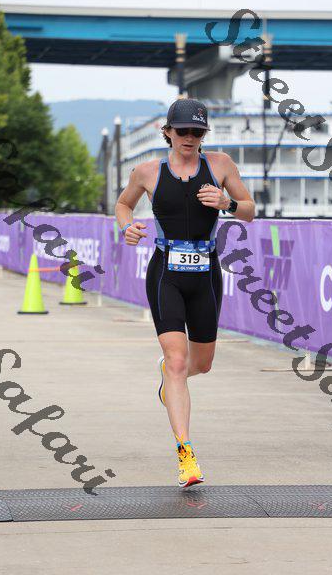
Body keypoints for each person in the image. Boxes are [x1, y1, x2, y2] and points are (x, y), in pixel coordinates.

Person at [115, 98, 255, 488]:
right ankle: (186, 456)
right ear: (168, 133)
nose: (189, 138)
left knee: (201, 364)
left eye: (197, 131)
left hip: (206, 273)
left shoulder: (221, 165)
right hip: (166, 274)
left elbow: (249, 209)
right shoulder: (147, 171)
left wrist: (227, 203)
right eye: (182, 131)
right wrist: (127, 227)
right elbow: (123, 204)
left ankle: (169, 377)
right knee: (177, 361)